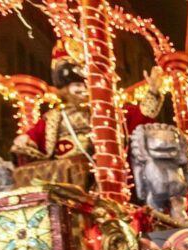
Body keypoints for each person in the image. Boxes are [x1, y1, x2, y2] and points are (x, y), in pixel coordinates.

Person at [12, 39, 163, 166]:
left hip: (100, 172)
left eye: (85, 85)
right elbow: (35, 136)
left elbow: (142, 114)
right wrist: (25, 140)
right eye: (77, 85)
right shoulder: (53, 117)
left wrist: (153, 92)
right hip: (63, 176)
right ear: (65, 88)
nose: (82, 89)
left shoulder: (106, 111)